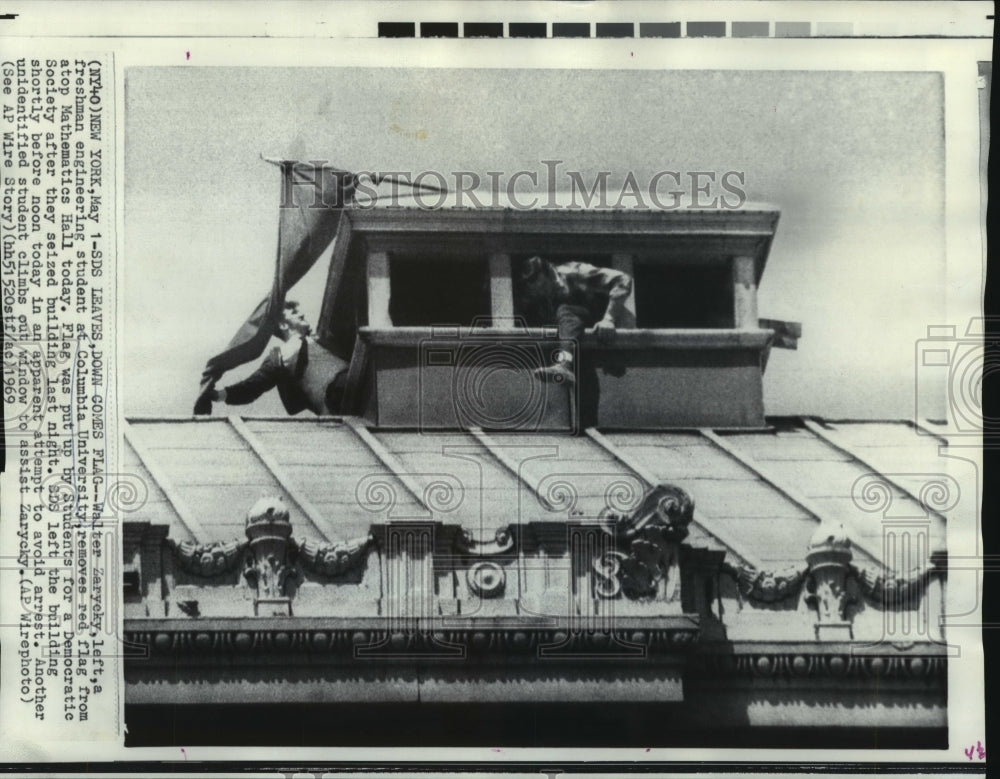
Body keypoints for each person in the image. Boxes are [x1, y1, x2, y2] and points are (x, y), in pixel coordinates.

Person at [194, 301, 349, 415]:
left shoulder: (322, 338)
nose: (302, 314)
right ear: (283, 325)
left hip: (355, 379)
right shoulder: (281, 355)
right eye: (294, 313)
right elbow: (253, 386)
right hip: (337, 397)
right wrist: (220, 395)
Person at [515, 256, 633, 384]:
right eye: (535, 289)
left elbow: (623, 279)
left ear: (549, 273)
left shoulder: (575, 272)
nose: (540, 291)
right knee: (584, 387)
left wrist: (609, 319)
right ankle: (567, 368)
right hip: (573, 341)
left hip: (596, 328)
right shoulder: (534, 293)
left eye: (543, 285)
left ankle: (564, 363)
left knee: (564, 310)